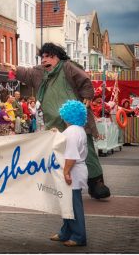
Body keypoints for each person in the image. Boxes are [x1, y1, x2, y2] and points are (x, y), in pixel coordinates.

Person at [10, 42, 110, 199]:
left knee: (87, 151)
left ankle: (96, 183)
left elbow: (84, 80)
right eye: (42, 57)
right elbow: (27, 74)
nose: (44, 60)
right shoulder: (39, 72)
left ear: (58, 57)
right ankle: (57, 182)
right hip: (54, 123)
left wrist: (87, 96)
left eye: (49, 56)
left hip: (75, 120)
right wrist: (16, 70)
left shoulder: (68, 67)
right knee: (57, 152)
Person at [50, 100, 88, 247]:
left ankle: (78, 236)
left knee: (73, 205)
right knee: (67, 204)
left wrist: (66, 172)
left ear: (67, 115)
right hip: (76, 170)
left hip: (73, 171)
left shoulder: (72, 131)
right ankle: (65, 232)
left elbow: (71, 155)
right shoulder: (77, 129)